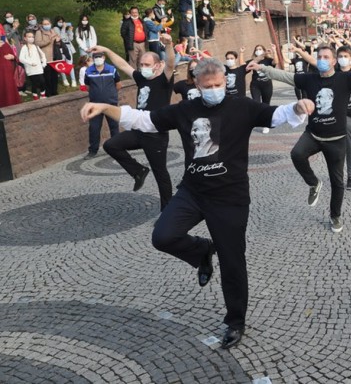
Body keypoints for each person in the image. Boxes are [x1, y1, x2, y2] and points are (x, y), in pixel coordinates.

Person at [79, 57, 314, 349]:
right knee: (163, 236)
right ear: (198, 85)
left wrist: (298, 107)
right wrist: (104, 107)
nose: (214, 89)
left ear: (225, 81)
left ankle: (235, 321)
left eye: (219, 84)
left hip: (230, 197)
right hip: (193, 192)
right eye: (208, 86)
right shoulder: (185, 110)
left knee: (232, 261)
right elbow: (143, 120)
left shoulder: (242, 107)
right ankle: (202, 251)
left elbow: (276, 114)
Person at [247, 46, 351, 233]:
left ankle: (335, 216)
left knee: (337, 182)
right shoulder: (309, 79)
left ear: (334, 61)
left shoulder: (346, 79)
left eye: (326, 57)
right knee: (296, 154)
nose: (321, 60)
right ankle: (314, 183)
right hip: (313, 134)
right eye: (319, 57)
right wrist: (262, 68)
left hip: (336, 139)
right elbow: (284, 76)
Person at [91, 34, 176, 211]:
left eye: (147, 65)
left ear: (157, 65)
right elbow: (122, 64)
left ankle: (167, 211)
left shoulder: (164, 80)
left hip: (155, 134)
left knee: (161, 174)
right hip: (138, 130)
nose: (143, 68)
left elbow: (170, 64)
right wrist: (106, 50)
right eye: (142, 65)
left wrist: (169, 45)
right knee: (111, 145)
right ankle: (138, 171)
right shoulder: (142, 78)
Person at [83, 51, 121, 158]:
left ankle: (117, 148)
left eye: (99, 57)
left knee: (114, 126)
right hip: (95, 105)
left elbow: (118, 85)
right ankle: (93, 150)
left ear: (104, 57)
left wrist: (110, 95)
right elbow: (88, 86)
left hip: (111, 103)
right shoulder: (88, 71)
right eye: (95, 57)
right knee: (94, 128)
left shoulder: (112, 69)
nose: (98, 59)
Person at [34, 17, 61, 97]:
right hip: (46, 58)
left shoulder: (53, 31)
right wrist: (49, 40)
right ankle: (48, 93)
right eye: (44, 24)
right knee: (47, 77)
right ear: (42, 25)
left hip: (54, 57)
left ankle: (54, 91)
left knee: (54, 76)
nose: (46, 25)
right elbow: (38, 43)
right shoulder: (39, 32)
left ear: (51, 24)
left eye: (48, 24)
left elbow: (58, 42)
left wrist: (58, 42)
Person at [18, 31, 47, 100]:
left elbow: (42, 54)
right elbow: (21, 58)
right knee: (35, 83)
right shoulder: (24, 48)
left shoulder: (36, 46)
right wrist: (30, 63)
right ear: (25, 38)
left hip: (39, 68)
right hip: (31, 70)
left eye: (32, 37)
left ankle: (43, 95)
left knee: (42, 81)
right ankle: (35, 96)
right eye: (29, 37)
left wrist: (44, 63)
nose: (31, 38)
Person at [53, 17, 78, 87]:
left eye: (62, 22)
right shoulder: (55, 29)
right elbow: (60, 37)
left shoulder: (65, 29)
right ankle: (64, 79)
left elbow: (70, 38)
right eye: (60, 22)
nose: (61, 23)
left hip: (68, 47)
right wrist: (63, 28)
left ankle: (73, 80)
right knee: (62, 64)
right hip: (60, 48)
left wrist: (70, 31)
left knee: (70, 63)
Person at [0, 33, 22, 107]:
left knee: (9, 88)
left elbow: (13, 55)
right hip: (1, 73)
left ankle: (12, 103)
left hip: (8, 72)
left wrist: (12, 57)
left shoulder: (4, 43)